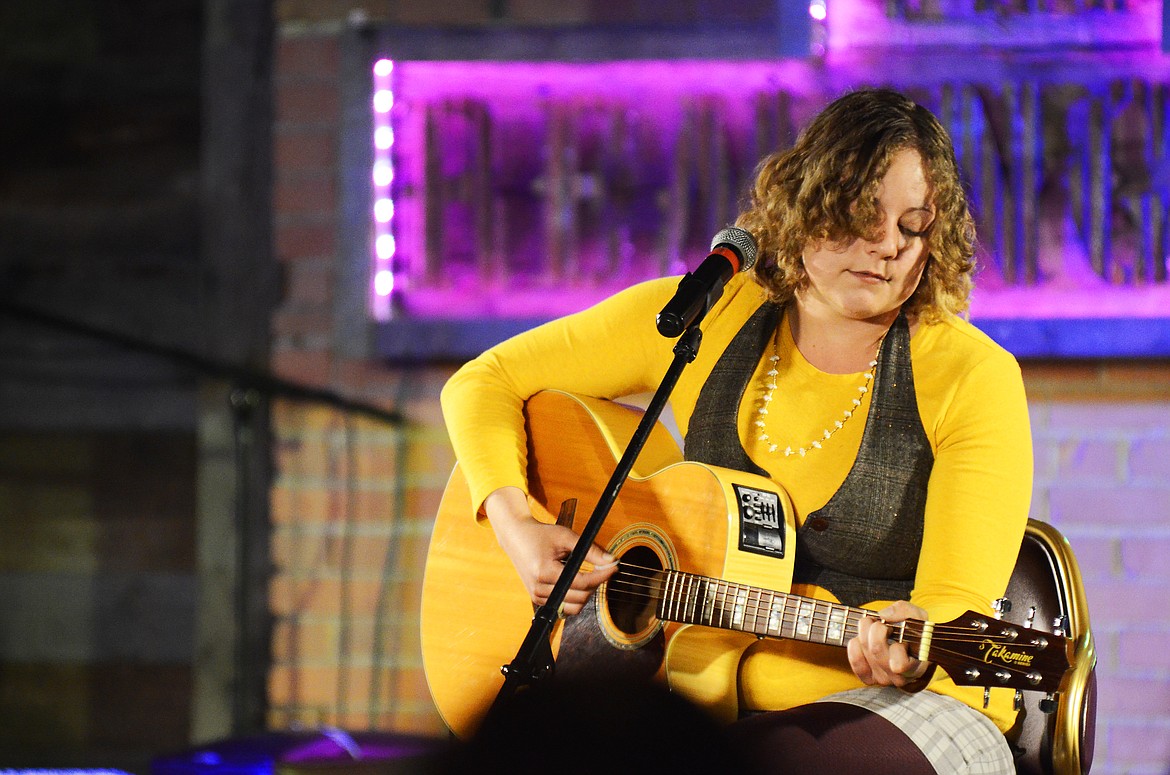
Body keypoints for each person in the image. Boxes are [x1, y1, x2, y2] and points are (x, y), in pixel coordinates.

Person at [439, 88, 1032, 773]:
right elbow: (483, 382)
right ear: (807, 208)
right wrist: (517, 525)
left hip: (907, 710)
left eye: (913, 225)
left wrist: (900, 646)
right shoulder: (710, 319)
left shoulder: (972, 374)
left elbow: (949, 615)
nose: (889, 247)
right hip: (703, 708)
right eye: (865, 216)